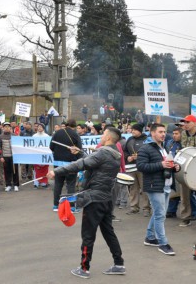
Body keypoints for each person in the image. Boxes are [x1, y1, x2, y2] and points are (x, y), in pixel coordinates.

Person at [48, 127, 126, 279]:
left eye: (103, 134)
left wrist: (56, 172)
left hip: (94, 199)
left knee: (88, 235)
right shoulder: (115, 154)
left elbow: (81, 165)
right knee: (109, 232)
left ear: (109, 138)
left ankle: (84, 268)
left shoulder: (103, 153)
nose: (101, 137)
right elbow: (94, 161)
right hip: (106, 199)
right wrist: (80, 152)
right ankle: (119, 264)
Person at [137, 123, 180, 256]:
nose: (163, 134)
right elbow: (141, 166)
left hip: (165, 184)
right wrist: (161, 164)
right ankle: (163, 243)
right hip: (154, 186)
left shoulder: (163, 147)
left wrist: (174, 166)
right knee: (160, 214)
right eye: (160, 132)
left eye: (164, 132)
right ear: (152, 133)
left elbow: (166, 163)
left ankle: (150, 237)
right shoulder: (146, 148)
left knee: (158, 213)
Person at [50, 119, 83, 211]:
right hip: (71, 163)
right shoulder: (75, 134)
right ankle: (72, 207)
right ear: (75, 126)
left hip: (57, 163)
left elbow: (51, 147)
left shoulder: (57, 133)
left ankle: (56, 205)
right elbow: (79, 149)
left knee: (58, 184)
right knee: (71, 185)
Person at [123, 123, 150, 216]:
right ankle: (134, 207)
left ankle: (146, 208)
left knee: (144, 188)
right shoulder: (130, 139)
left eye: (134, 130)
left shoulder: (146, 139)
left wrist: (139, 157)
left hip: (143, 167)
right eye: (132, 129)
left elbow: (149, 152)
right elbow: (125, 151)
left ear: (140, 130)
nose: (132, 131)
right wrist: (128, 157)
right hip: (131, 167)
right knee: (133, 188)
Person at [0, 122, 19, 192]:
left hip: (13, 156)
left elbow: (18, 146)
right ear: (3, 128)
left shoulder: (14, 136)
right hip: (5, 156)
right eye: (5, 127)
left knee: (15, 171)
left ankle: (16, 185)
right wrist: (1, 157)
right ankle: (8, 185)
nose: (7, 128)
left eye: (8, 127)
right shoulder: (0, 137)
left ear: (10, 128)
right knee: (7, 171)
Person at [32, 123, 50, 188]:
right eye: (38, 127)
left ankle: (44, 183)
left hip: (44, 155)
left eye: (41, 127)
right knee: (36, 170)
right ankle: (36, 183)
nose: (39, 128)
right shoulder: (34, 136)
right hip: (36, 155)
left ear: (43, 128)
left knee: (45, 169)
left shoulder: (47, 136)